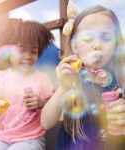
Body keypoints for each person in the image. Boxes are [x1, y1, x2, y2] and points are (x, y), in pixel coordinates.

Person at [41, 5, 125, 150]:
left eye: (106, 37)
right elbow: (45, 122)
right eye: (87, 37)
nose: (97, 45)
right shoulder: (71, 79)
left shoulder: (121, 81)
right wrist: (63, 88)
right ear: (74, 46)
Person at [0, 18, 54, 150]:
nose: (28, 56)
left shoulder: (42, 79)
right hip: (3, 138)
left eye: (33, 51)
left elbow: (53, 109)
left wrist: (42, 104)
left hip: (31, 139)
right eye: (21, 50)